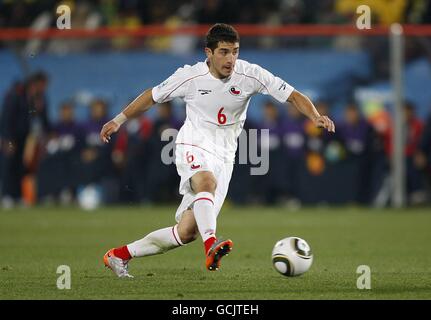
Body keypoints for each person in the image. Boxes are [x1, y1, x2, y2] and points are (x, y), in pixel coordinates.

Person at [99, 23, 335, 278]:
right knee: (206, 183)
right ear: (208, 53)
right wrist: (118, 120)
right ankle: (211, 244)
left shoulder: (250, 74)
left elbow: (293, 95)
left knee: (186, 231)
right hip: (193, 142)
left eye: (235, 51)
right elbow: (152, 96)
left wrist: (315, 116)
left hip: (225, 155)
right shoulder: (189, 76)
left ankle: (119, 255)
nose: (231, 59)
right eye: (223, 52)